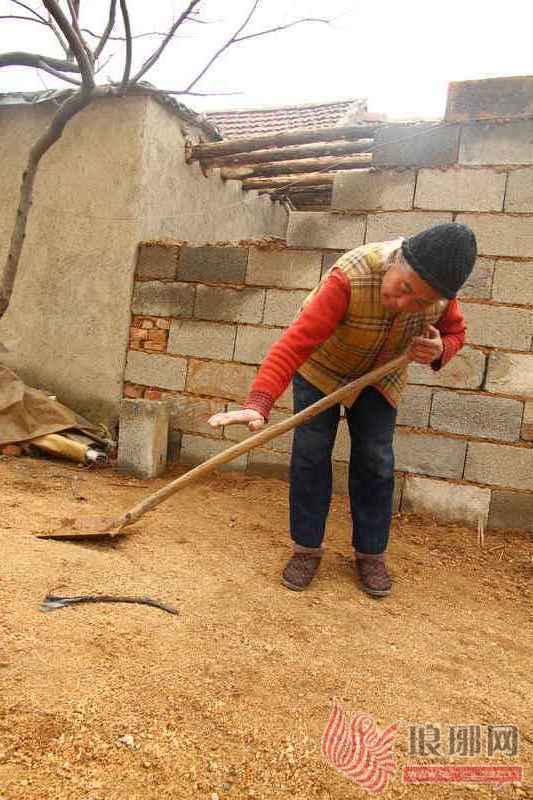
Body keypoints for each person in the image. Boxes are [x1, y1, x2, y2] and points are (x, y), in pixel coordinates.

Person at [208, 223, 477, 598]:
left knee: (376, 459)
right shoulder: (351, 276)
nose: (405, 304)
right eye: (404, 288)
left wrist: (441, 349)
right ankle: (306, 549)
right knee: (311, 453)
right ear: (396, 260)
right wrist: (259, 403)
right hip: (322, 368)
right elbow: (295, 344)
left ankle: (370, 554)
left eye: (420, 303)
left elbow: (456, 334)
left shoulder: (442, 297)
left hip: (381, 377)